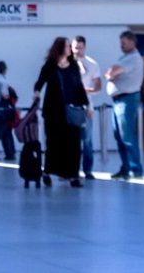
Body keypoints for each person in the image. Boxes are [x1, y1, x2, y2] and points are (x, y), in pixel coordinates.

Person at [32, 37, 89, 187]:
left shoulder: (73, 66)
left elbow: (79, 87)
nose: (70, 49)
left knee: (73, 144)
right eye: (67, 46)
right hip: (53, 111)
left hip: (71, 110)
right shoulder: (50, 66)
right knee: (53, 143)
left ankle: (73, 176)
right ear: (60, 48)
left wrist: (86, 105)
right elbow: (40, 81)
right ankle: (47, 171)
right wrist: (37, 92)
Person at [104, 29, 144, 179]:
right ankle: (125, 168)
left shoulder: (133, 58)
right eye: (120, 43)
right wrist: (111, 73)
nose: (121, 46)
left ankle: (136, 169)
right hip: (118, 101)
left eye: (124, 43)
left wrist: (111, 74)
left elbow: (112, 72)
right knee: (119, 137)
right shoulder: (124, 57)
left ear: (132, 43)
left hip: (127, 99)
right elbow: (109, 71)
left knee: (127, 135)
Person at [72, 36, 102, 179]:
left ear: (85, 47)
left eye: (80, 47)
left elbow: (98, 86)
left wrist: (88, 92)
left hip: (85, 106)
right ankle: (70, 170)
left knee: (87, 140)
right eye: (75, 47)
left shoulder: (92, 64)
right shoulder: (66, 64)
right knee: (70, 140)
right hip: (70, 107)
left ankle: (88, 169)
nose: (78, 50)